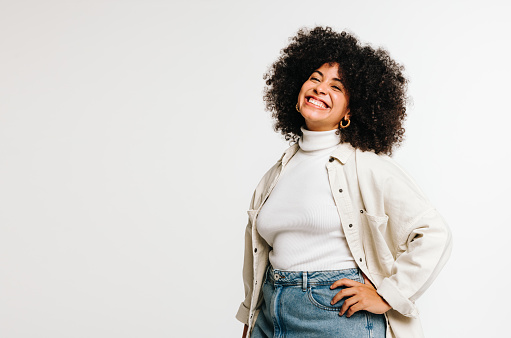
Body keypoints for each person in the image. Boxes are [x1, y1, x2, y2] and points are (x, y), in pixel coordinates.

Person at [236, 26, 452, 338]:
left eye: (337, 87)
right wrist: (250, 319)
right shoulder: (276, 173)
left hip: (335, 315)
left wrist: (387, 295)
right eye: (314, 78)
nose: (321, 88)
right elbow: (257, 256)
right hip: (270, 313)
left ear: (350, 110)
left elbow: (434, 233)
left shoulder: (365, 166)